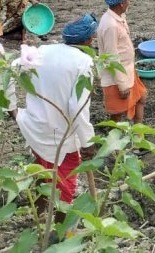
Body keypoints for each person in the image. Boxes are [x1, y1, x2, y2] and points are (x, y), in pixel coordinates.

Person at [5, 15, 97, 209]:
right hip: (62, 135)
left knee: (41, 172)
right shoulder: (84, 62)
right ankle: (59, 230)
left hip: (35, 128)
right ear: (88, 40)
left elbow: (8, 70)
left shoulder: (43, 51)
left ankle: (39, 214)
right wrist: (88, 143)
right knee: (66, 184)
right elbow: (77, 107)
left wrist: (11, 108)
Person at [97, 0, 146, 121]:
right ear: (122, 3)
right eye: (128, 0)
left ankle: (138, 136)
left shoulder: (119, 17)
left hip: (128, 70)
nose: (129, 3)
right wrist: (122, 85)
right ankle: (114, 139)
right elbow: (111, 57)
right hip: (116, 77)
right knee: (117, 113)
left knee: (141, 99)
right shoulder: (110, 25)